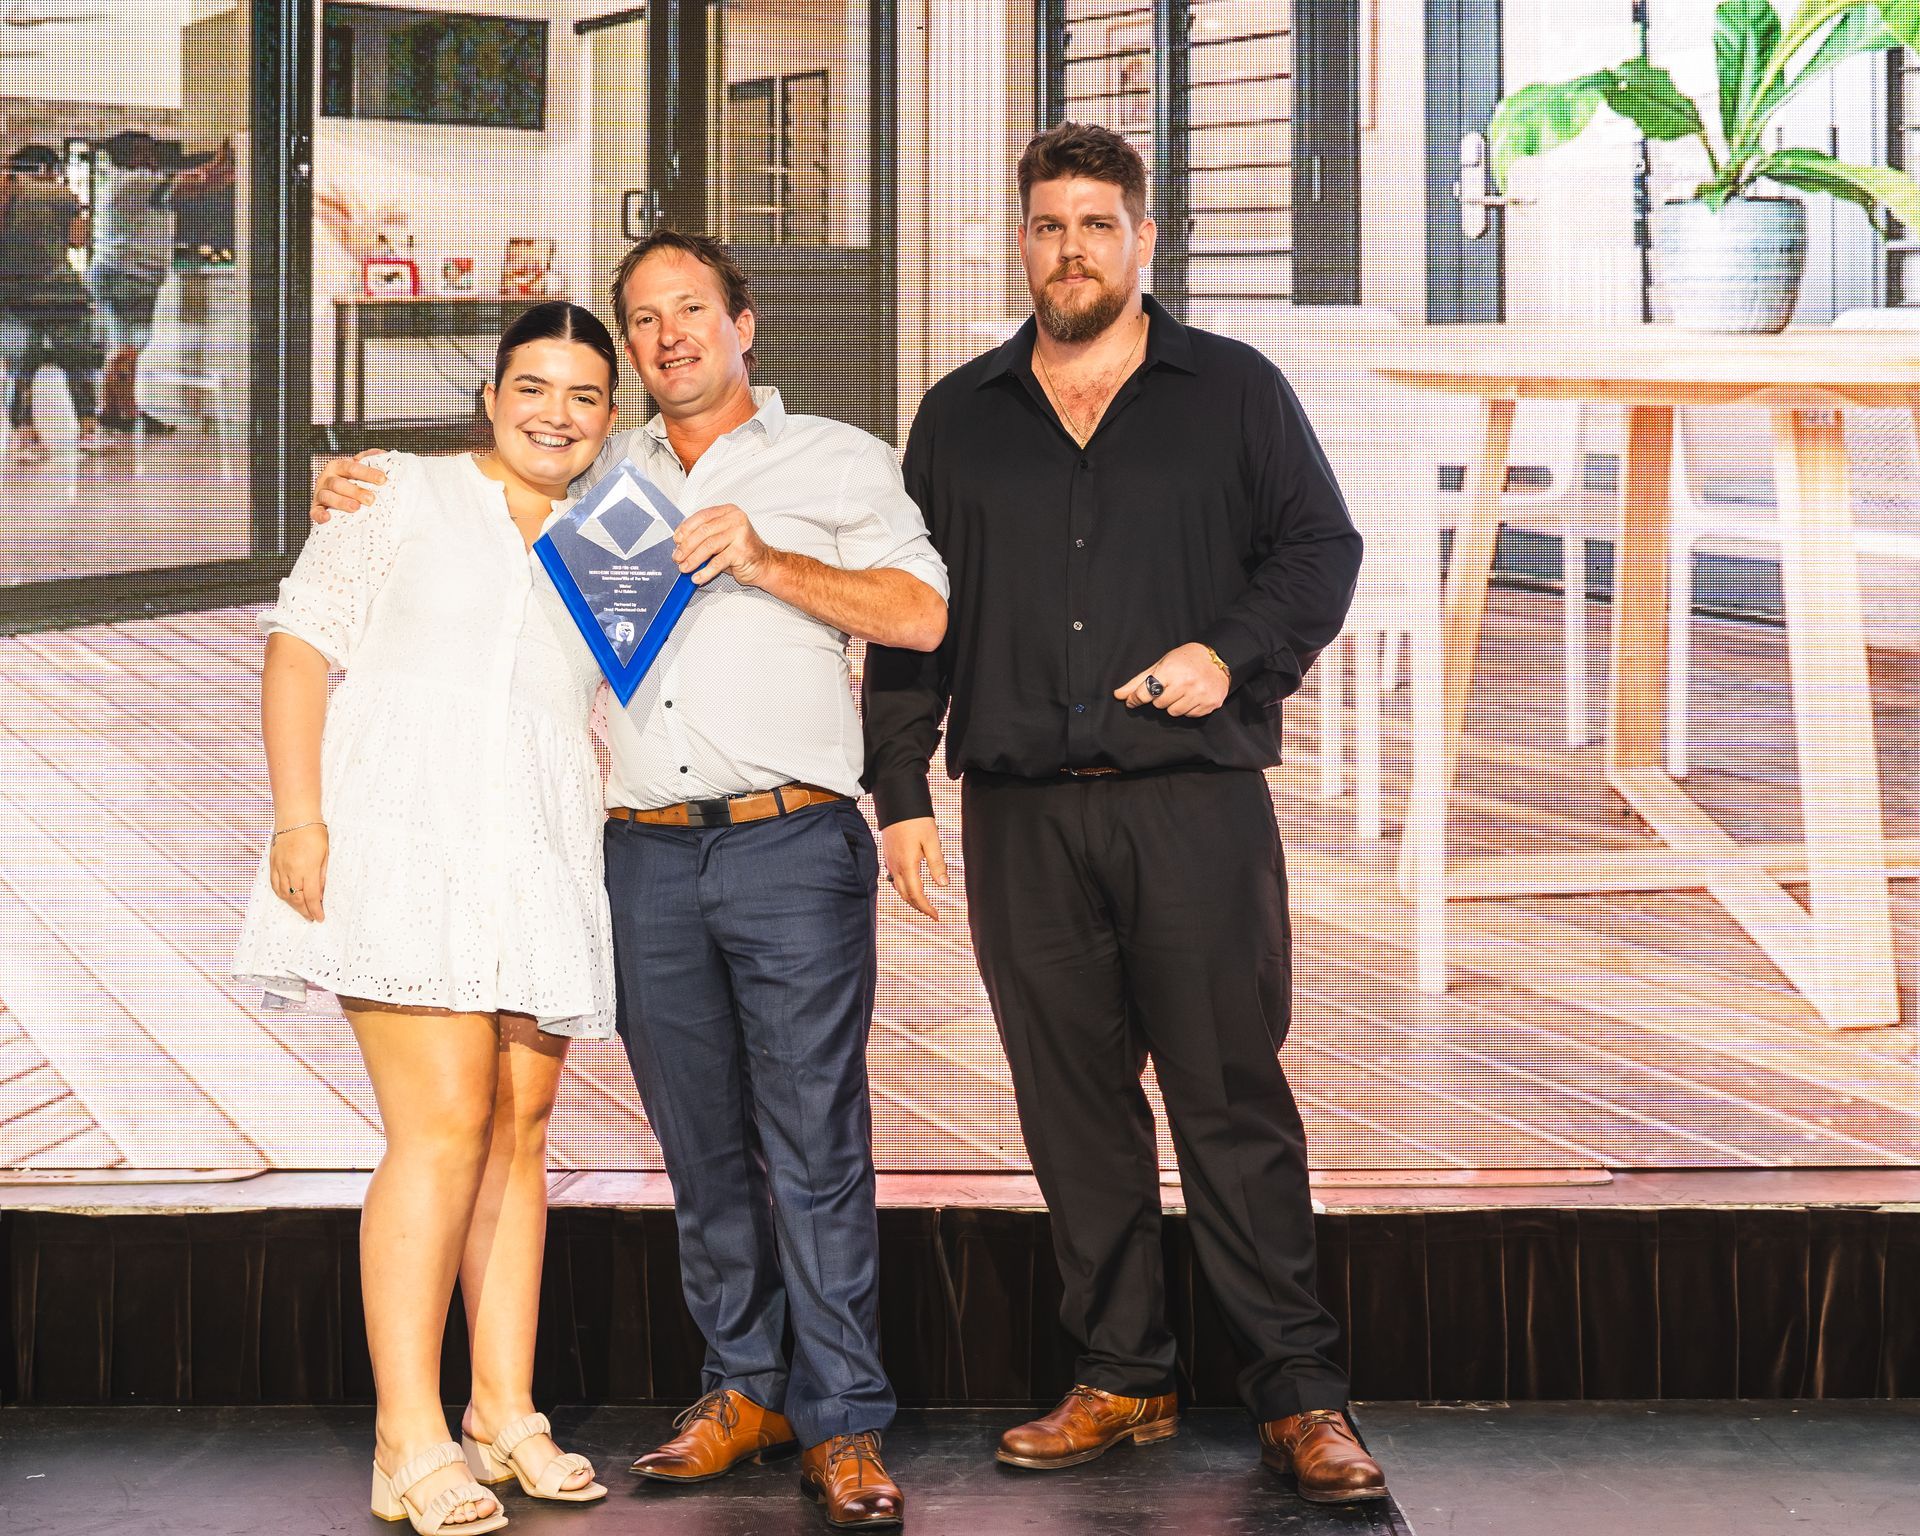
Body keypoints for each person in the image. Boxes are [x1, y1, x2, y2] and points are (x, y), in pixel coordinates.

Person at [308, 229, 949, 1531]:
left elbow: (921, 613)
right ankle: (743, 1388)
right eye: (641, 322)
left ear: (743, 322)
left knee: (814, 1146)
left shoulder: (834, 457)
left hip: (788, 840)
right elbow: (478, 506)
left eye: (689, 311)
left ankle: (842, 1422)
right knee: (700, 1152)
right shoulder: (606, 472)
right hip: (641, 850)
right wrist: (361, 488)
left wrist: (767, 558)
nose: (666, 337)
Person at [862, 121, 1388, 1504]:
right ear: (1020, 241)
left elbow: (1320, 549)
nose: (1072, 249)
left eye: (1098, 224)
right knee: (1072, 1111)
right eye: (1049, 225)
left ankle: (1301, 1395)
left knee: (1229, 1099)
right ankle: (1122, 1379)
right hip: (1022, 815)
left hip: (1194, 809)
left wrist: (1230, 649)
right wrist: (900, 789)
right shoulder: (960, 416)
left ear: (1144, 240)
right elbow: (916, 619)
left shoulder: (1236, 393)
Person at [235, 301, 623, 1534]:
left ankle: (502, 1410)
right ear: (490, 394)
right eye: (532, 386)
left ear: (610, 417)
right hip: (403, 831)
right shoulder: (395, 491)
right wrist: (300, 821)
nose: (554, 413)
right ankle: (406, 1435)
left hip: (537, 839)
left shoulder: (622, 533)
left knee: (521, 1122)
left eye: (582, 394)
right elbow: (300, 649)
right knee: (444, 1121)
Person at [86, 130, 232, 434]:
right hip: (128, 274)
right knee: (129, 347)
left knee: (122, 344)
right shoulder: (135, 183)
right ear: (134, 156)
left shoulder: (121, 181)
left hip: (118, 272)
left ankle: (110, 410)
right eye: (147, 151)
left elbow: (203, 181)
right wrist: (230, 151)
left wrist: (225, 165)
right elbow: (201, 181)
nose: (154, 157)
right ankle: (127, 412)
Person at [0, 143, 99, 464]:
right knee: (76, 360)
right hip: (60, 289)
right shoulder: (61, 195)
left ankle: (25, 434)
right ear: (46, 169)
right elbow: (78, 239)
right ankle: (87, 430)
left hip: (11, 290)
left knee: (19, 365)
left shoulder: (6, 194)